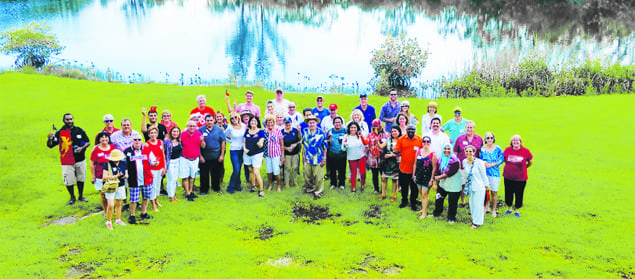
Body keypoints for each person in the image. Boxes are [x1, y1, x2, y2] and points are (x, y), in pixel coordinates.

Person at [47, 113, 90, 205]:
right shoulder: (60, 133)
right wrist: (50, 139)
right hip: (67, 160)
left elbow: (88, 142)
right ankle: (72, 197)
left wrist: (81, 148)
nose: (69, 121)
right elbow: (50, 145)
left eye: (71, 119)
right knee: (69, 180)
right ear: (64, 121)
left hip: (80, 159)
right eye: (67, 119)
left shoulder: (79, 130)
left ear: (73, 120)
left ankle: (81, 195)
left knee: (81, 178)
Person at [124, 133, 154, 224]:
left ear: (142, 141)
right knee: (133, 199)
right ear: (132, 141)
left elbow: (152, 161)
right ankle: (132, 215)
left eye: (139, 140)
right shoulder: (126, 151)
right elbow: (122, 164)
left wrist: (155, 163)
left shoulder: (147, 150)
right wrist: (125, 172)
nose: (137, 141)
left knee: (146, 197)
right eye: (135, 140)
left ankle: (144, 212)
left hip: (147, 178)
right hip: (134, 179)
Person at [454, 120, 483, 207]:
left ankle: (472, 200)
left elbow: (481, 152)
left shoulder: (479, 139)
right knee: (462, 184)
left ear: (474, 128)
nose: (469, 129)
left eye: (471, 127)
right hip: (462, 166)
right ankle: (463, 201)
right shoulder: (460, 138)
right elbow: (455, 152)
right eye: (468, 127)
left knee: (474, 184)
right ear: (465, 128)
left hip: (474, 167)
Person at [503, 135, 533, 217]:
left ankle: (517, 209)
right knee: (508, 193)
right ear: (511, 142)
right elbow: (504, 159)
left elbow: (530, 161)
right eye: (514, 141)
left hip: (521, 178)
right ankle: (509, 209)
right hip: (508, 177)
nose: (515, 142)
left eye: (517, 140)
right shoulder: (507, 150)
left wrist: (526, 166)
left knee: (519, 193)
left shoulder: (525, 151)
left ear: (520, 142)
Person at [394, 124, 422, 211]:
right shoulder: (401, 139)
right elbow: (397, 149)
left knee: (414, 188)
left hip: (415, 169)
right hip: (404, 168)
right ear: (406, 131)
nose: (410, 132)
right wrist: (395, 151)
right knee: (404, 186)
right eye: (409, 130)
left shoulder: (419, 140)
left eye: (412, 130)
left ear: (415, 131)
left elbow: (422, 152)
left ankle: (413, 202)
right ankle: (404, 201)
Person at [433, 143, 462, 223]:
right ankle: (437, 212)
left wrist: (439, 177)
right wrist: (436, 179)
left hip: (453, 185)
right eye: (445, 149)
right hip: (443, 184)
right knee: (439, 198)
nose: (446, 151)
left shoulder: (455, 161)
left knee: (452, 202)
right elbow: (437, 170)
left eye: (449, 149)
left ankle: (451, 217)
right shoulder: (440, 158)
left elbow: (450, 173)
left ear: (451, 150)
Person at [463, 145, 489, 229]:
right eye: (467, 151)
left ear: (474, 152)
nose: (468, 153)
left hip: (479, 186)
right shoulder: (464, 162)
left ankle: (477, 223)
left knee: (478, 205)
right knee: (472, 204)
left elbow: (483, 175)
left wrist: (486, 185)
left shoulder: (479, 162)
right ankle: (474, 219)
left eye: (470, 151)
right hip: (470, 187)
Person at [199, 114, 225, 195]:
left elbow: (223, 142)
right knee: (204, 174)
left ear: (214, 120)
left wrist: (222, 155)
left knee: (216, 173)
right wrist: (200, 156)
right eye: (208, 120)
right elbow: (197, 144)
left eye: (211, 120)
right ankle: (204, 190)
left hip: (216, 156)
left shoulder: (218, 130)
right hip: (205, 157)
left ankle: (216, 188)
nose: (209, 122)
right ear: (205, 121)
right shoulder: (200, 130)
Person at [302, 115, 328, 198]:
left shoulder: (321, 133)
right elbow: (304, 145)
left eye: (313, 122)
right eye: (310, 123)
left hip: (318, 158)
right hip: (307, 157)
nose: (311, 124)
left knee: (318, 177)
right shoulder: (305, 131)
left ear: (316, 123)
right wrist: (303, 156)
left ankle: (318, 192)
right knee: (307, 175)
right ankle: (309, 188)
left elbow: (325, 147)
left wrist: (324, 158)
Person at [90, 132, 116, 213]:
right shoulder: (96, 150)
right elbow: (92, 162)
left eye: (106, 137)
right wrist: (93, 176)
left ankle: (112, 209)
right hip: (100, 175)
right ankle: (105, 211)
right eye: (102, 137)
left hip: (111, 175)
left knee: (111, 193)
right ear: (99, 139)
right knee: (103, 194)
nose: (104, 139)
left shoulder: (112, 147)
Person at [412, 135, 437, 219]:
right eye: (424, 141)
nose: (426, 143)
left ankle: (424, 213)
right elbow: (415, 163)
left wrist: (431, 179)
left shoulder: (433, 154)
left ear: (430, 143)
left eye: (427, 141)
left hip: (427, 177)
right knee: (421, 193)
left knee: (424, 194)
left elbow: (434, 168)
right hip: (419, 175)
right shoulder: (418, 151)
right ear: (422, 143)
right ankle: (423, 208)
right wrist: (414, 175)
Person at [102, 149, 127, 229]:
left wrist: (125, 175)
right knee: (111, 205)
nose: (116, 161)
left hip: (121, 185)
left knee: (119, 203)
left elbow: (126, 173)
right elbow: (104, 177)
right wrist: (115, 176)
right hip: (111, 186)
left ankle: (118, 219)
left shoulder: (123, 163)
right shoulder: (107, 165)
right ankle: (108, 221)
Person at [480, 132, 504, 217]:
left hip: (494, 173)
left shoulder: (498, 148)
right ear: (485, 139)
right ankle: (486, 207)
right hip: (485, 173)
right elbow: (480, 159)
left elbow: (501, 159)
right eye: (488, 138)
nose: (489, 139)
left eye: (491, 138)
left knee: (494, 191)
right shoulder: (482, 148)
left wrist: (492, 164)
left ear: (493, 139)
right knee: (485, 191)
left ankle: (494, 209)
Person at [181, 120, 205, 201]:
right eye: (190, 126)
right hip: (185, 158)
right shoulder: (182, 135)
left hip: (195, 159)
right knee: (185, 177)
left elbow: (203, 146)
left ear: (196, 127)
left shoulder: (198, 134)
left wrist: (201, 140)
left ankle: (190, 191)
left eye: (193, 126)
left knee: (192, 176)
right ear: (187, 127)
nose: (191, 128)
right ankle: (187, 193)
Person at [342, 122, 368, 192]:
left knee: (362, 172)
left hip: (361, 156)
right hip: (351, 157)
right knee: (353, 172)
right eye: (351, 127)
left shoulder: (359, 136)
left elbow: (366, 144)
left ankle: (362, 184)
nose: (353, 129)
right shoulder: (346, 136)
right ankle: (353, 187)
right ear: (349, 128)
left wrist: (361, 136)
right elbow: (343, 149)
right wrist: (344, 146)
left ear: (357, 128)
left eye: (355, 127)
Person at [144, 126, 166, 211]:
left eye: (155, 133)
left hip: (160, 168)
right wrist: (152, 164)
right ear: (149, 134)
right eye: (151, 133)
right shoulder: (147, 144)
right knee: (152, 186)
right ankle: (153, 205)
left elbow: (163, 154)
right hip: (152, 169)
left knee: (157, 185)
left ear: (157, 134)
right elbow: (146, 158)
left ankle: (156, 200)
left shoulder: (160, 142)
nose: (153, 135)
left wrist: (164, 167)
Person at [243, 116, 266, 197]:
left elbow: (261, 142)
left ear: (257, 122)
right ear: (249, 122)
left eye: (255, 121)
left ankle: (261, 190)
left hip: (256, 154)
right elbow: (244, 141)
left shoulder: (261, 132)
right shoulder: (247, 131)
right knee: (250, 170)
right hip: (247, 153)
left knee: (256, 172)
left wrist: (260, 143)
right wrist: (245, 149)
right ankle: (253, 186)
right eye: (251, 121)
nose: (253, 122)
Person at [224, 111, 247, 193]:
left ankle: (238, 184)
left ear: (238, 117)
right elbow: (224, 136)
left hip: (242, 150)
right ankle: (230, 186)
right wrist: (230, 141)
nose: (234, 119)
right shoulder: (230, 127)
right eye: (232, 118)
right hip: (234, 150)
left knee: (239, 168)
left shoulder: (244, 126)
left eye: (235, 117)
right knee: (236, 168)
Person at [262, 114, 285, 192]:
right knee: (269, 170)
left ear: (274, 122)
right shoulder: (264, 132)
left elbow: (282, 144)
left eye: (271, 122)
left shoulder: (277, 131)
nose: (270, 124)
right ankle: (270, 184)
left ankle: (279, 185)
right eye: (268, 122)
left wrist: (282, 156)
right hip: (267, 154)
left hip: (276, 154)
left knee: (276, 170)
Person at [366, 119, 388, 194]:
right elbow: (367, 145)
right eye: (374, 126)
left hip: (382, 158)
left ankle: (383, 189)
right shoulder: (370, 135)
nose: (376, 128)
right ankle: (376, 189)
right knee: (374, 174)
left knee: (383, 175)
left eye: (377, 126)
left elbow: (386, 145)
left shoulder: (386, 135)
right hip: (373, 158)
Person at [380, 126, 401, 201]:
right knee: (384, 178)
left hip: (396, 161)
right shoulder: (388, 140)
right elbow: (381, 146)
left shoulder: (401, 140)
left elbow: (402, 153)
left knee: (394, 179)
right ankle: (383, 193)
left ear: (399, 132)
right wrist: (376, 141)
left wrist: (391, 155)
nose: (394, 133)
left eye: (395, 131)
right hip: (388, 162)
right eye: (392, 131)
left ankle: (394, 195)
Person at [326, 116, 347, 189]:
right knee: (332, 170)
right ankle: (333, 183)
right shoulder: (330, 131)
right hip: (332, 154)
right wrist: (328, 141)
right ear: (333, 123)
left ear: (341, 123)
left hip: (342, 155)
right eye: (336, 122)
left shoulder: (345, 131)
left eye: (339, 122)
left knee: (342, 170)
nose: (337, 124)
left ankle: (342, 184)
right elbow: (325, 141)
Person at [282, 116, 302, 189]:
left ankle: (294, 180)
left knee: (295, 167)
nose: (287, 125)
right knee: (287, 168)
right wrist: (286, 148)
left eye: (289, 123)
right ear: (284, 124)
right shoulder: (282, 132)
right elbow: (280, 144)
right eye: (286, 123)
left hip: (295, 152)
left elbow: (299, 139)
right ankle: (286, 182)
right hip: (287, 154)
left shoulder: (295, 130)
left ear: (291, 123)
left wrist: (299, 131)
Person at [163, 126, 182, 202]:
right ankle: (171, 197)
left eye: (177, 132)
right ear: (171, 132)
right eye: (174, 131)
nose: (175, 133)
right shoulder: (166, 141)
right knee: (171, 179)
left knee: (175, 179)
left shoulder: (179, 141)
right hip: (170, 162)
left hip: (177, 161)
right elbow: (163, 152)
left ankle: (173, 195)